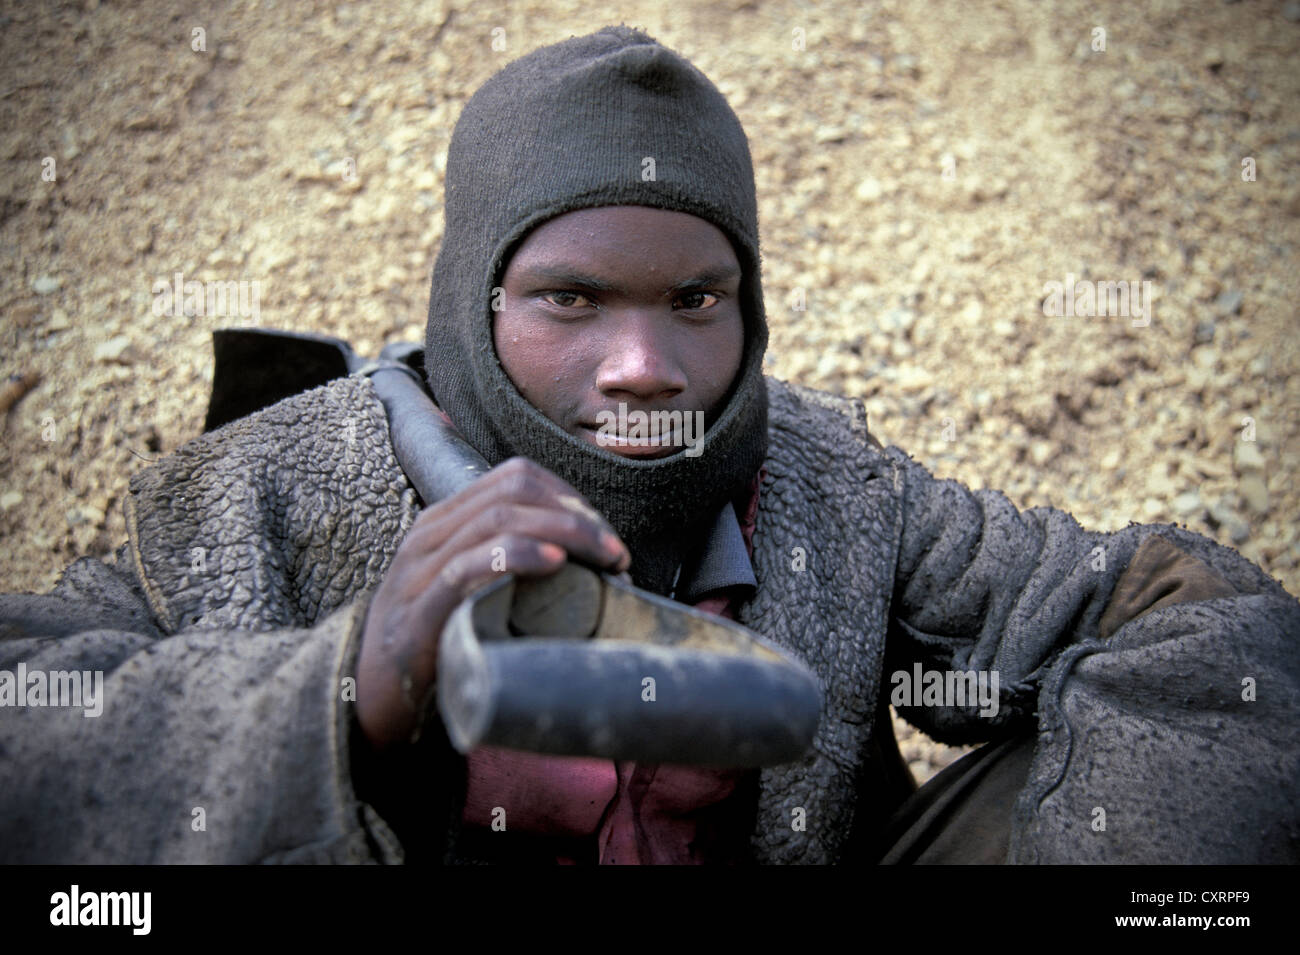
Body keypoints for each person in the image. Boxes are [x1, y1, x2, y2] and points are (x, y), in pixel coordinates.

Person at [1, 26, 1296, 865]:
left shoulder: (830, 490)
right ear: (475, 302)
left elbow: (1197, 631)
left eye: (696, 301)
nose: (645, 364)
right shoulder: (260, 503)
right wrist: (342, 686)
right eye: (570, 298)